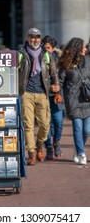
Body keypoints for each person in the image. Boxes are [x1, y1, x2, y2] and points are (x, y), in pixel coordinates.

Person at [18, 28, 60, 166]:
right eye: (32, 37)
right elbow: (13, 71)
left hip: (43, 92)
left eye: (37, 37)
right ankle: (31, 153)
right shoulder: (21, 53)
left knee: (45, 125)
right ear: (27, 37)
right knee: (28, 125)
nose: (35, 40)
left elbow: (53, 72)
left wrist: (56, 87)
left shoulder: (46, 54)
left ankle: (39, 144)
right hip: (26, 93)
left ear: (40, 39)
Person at [57, 37, 90, 165]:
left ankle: (77, 149)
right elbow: (60, 81)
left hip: (86, 98)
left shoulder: (88, 61)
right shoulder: (66, 64)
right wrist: (58, 93)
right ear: (77, 48)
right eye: (83, 47)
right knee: (77, 126)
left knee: (87, 130)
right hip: (72, 99)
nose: (85, 49)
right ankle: (81, 153)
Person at [42, 35, 64, 159]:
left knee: (58, 122)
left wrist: (58, 91)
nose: (46, 51)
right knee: (46, 124)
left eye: (48, 48)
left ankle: (57, 141)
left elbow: (62, 78)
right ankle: (49, 146)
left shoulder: (60, 61)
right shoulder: (39, 59)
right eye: (44, 48)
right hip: (43, 95)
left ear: (53, 48)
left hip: (57, 96)